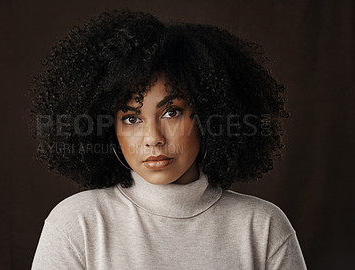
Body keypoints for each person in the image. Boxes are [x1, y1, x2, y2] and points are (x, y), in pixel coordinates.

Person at [29, 9, 307, 269]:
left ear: (209, 115)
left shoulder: (263, 227)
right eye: (131, 118)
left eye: (172, 112)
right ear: (108, 129)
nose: (153, 138)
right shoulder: (77, 223)